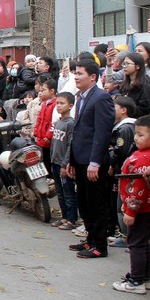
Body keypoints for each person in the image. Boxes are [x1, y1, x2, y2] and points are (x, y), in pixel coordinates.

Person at [68, 58, 116, 259]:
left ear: (93, 77)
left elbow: (102, 133)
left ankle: (99, 245)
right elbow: (78, 131)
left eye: (80, 74)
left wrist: (95, 162)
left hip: (93, 161)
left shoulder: (101, 98)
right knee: (84, 203)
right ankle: (90, 238)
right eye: (76, 73)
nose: (76, 77)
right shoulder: (82, 97)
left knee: (96, 204)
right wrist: (71, 160)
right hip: (80, 159)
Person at [112, 114, 150, 294]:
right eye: (136, 134)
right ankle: (144, 278)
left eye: (141, 135)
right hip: (147, 207)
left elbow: (140, 187)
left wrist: (131, 211)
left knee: (136, 244)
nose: (135, 138)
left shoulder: (146, 158)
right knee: (142, 243)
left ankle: (136, 281)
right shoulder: (147, 155)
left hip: (141, 208)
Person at [108, 96, 137, 247]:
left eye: (115, 107)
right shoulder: (124, 127)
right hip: (122, 172)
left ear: (124, 110)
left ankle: (126, 237)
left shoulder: (125, 128)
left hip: (124, 173)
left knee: (122, 205)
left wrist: (112, 162)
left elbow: (121, 151)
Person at [51, 92, 78, 231]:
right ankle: (64, 217)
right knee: (60, 192)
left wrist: (64, 164)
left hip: (64, 164)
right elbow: (54, 144)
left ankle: (72, 219)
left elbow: (70, 145)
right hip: (55, 161)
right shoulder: (58, 122)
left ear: (71, 106)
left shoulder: (71, 124)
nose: (59, 106)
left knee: (68, 192)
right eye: (57, 103)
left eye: (62, 103)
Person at [120, 52, 150, 117]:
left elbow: (144, 111)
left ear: (137, 66)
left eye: (128, 64)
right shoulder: (124, 84)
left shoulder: (145, 87)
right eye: (124, 64)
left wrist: (127, 106)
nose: (124, 66)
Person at [33, 79, 57, 169]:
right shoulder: (44, 104)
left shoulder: (55, 104)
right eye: (40, 91)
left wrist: (49, 135)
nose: (41, 93)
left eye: (43, 90)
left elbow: (54, 121)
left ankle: (51, 176)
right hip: (41, 136)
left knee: (49, 157)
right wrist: (36, 132)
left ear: (52, 91)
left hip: (48, 138)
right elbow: (39, 119)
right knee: (43, 157)